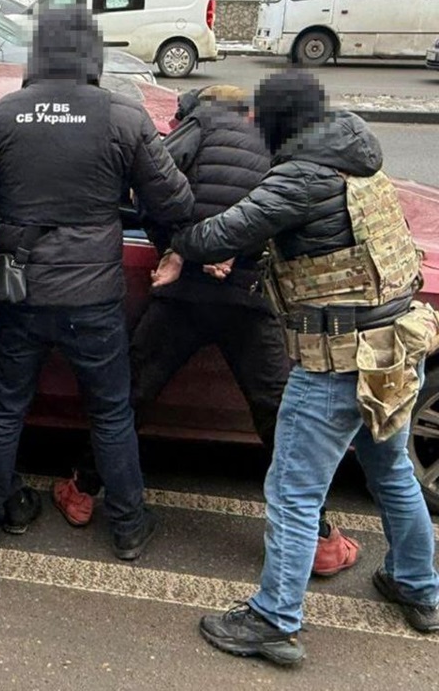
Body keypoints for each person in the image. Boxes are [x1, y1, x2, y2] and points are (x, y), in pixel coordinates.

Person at [176, 71, 439, 665]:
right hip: (396, 349)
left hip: (337, 362)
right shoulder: (358, 157)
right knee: (392, 472)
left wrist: (181, 240)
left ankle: (274, 620)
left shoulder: (301, 175)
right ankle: (418, 588)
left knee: (293, 492)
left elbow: (223, 233)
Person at [51, 85, 362, 579]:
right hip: (251, 297)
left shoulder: (200, 123)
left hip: (185, 296)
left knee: (130, 394)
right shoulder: (280, 138)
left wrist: (176, 248)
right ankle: (320, 539)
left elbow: (150, 187)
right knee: (277, 414)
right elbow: (290, 211)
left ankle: (82, 491)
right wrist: (241, 253)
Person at [0, 5, 194, 560]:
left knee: (3, 410)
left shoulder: (0, 115)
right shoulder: (123, 116)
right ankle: (129, 528)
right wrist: (175, 248)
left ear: (36, 55)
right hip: (94, 298)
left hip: (21, 295)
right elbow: (175, 201)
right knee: (111, 414)